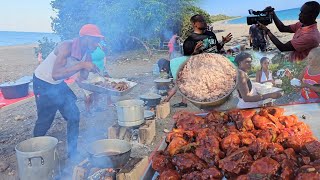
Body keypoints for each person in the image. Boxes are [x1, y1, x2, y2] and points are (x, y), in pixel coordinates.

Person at [33, 24, 103, 158]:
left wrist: (88, 69)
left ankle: (72, 153)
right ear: (85, 38)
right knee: (45, 119)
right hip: (43, 81)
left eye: (98, 39)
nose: (97, 43)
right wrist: (82, 65)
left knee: (74, 115)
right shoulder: (66, 46)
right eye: (95, 39)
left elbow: (83, 78)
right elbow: (55, 74)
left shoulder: (87, 54)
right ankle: (34, 151)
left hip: (58, 84)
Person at [83, 42, 110, 116]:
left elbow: (103, 57)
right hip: (88, 73)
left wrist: (104, 69)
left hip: (99, 72)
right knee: (88, 93)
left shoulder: (98, 44)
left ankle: (96, 107)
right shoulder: (85, 47)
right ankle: (87, 111)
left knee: (97, 90)